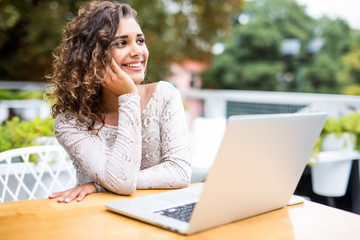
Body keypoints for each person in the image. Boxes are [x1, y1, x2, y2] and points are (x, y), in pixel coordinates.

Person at [47, 0, 191, 203]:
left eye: (140, 40)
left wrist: (98, 186)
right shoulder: (71, 122)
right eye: (122, 43)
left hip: (157, 215)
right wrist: (129, 98)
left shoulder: (165, 96)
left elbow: (180, 172)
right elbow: (121, 183)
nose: (137, 51)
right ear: (93, 56)